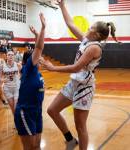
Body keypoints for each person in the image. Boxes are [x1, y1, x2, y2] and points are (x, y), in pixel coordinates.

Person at [40, 0, 119, 150]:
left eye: (90, 27)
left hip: (84, 87)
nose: (87, 28)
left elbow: (76, 67)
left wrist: (53, 68)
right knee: (52, 110)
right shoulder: (87, 39)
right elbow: (70, 24)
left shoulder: (94, 48)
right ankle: (70, 139)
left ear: (95, 34)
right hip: (74, 83)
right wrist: (62, 5)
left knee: (80, 126)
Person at [14, 13, 45, 150]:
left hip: (37, 111)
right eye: (36, 57)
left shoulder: (36, 72)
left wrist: (37, 35)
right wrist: (43, 28)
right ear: (29, 60)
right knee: (30, 147)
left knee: (37, 145)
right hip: (25, 112)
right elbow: (38, 48)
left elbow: (37, 49)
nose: (39, 57)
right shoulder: (29, 69)